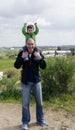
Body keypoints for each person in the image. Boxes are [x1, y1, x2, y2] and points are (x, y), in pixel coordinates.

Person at [14, 38, 48, 130]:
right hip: (25, 82)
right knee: (25, 104)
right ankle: (25, 122)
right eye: (29, 44)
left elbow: (44, 66)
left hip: (36, 82)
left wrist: (40, 58)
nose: (30, 46)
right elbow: (16, 66)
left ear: (35, 44)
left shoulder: (38, 52)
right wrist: (22, 57)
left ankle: (40, 120)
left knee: (40, 103)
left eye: (32, 44)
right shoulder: (22, 53)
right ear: (26, 44)